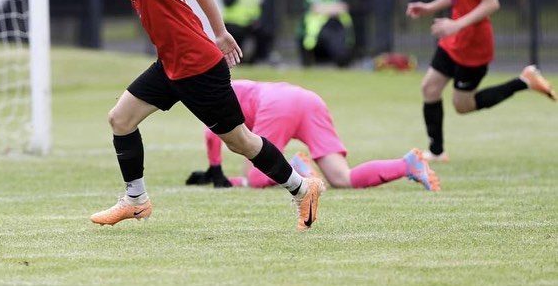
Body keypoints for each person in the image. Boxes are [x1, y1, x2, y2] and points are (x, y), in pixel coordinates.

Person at [69, 0, 324, 230]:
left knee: (240, 142)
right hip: (171, 65)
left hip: (199, 69)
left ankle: (303, 188)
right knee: (120, 119)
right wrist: (220, 32)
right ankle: (136, 200)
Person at [406, 0, 555, 162]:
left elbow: (491, 2)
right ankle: (437, 152)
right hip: (455, 40)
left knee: (462, 106)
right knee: (430, 88)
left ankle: (524, 80)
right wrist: (429, 7)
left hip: (474, 47)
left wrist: (456, 25)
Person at [186, 79, 440, 192]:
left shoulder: (210, 92)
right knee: (342, 178)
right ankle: (408, 164)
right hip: (308, 99)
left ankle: (295, 167)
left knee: (254, 177)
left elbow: (211, 133)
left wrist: (216, 171)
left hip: (277, 104)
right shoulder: (229, 83)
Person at [297, 0, 354, 67]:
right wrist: (333, 8)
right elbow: (315, 8)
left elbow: (343, 8)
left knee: (342, 53)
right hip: (314, 35)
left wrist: (324, 8)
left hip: (335, 30)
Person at [220, 0, 273, 64]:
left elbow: (262, 6)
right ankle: (236, 61)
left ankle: (255, 60)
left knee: (265, 34)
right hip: (233, 23)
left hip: (250, 23)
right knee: (237, 38)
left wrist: (258, 20)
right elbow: (228, 2)